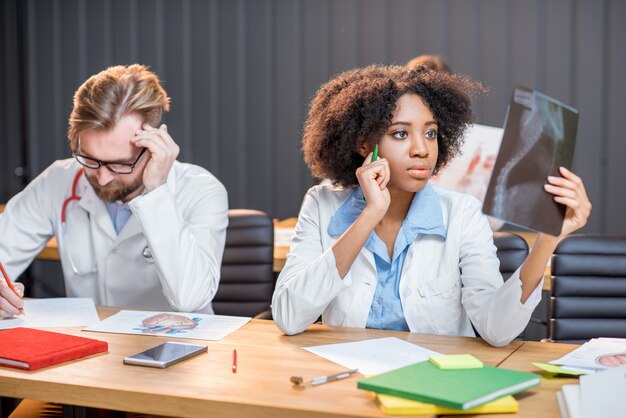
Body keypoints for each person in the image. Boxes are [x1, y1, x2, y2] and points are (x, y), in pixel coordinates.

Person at [271, 65, 591, 347]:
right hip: (348, 382)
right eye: (400, 134)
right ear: (364, 144)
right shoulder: (321, 203)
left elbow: (497, 330)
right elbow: (289, 317)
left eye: (430, 132)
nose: (422, 149)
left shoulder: (462, 213)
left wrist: (550, 235)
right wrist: (369, 215)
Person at [0, 64, 228, 318]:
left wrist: (157, 192)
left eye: (120, 163)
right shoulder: (58, 180)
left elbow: (190, 298)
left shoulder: (201, 190)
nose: (103, 177)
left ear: (155, 145)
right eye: (90, 158)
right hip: (91, 345)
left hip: (178, 346)